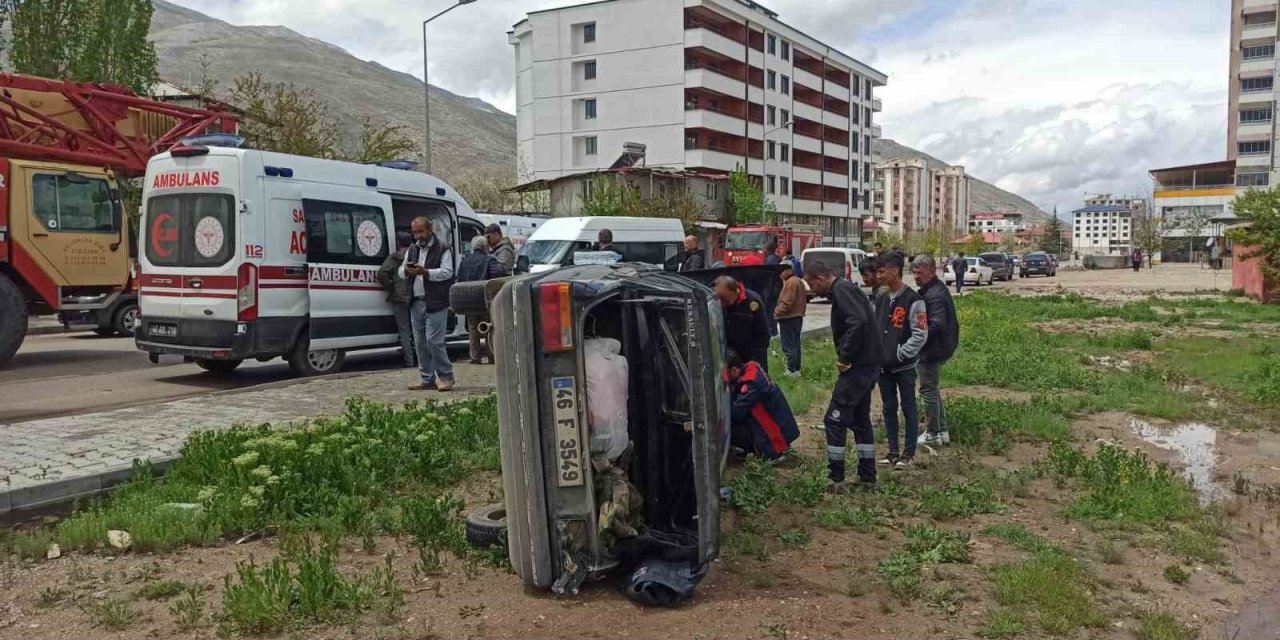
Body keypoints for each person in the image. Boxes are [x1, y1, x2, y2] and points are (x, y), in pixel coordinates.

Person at [804, 260, 884, 492]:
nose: (811, 289)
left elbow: (857, 323)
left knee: (834, 419)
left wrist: (845, 357)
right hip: (868, 364)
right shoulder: (848, 288)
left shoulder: (841, 290)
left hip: (858, 367)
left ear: (820, 279)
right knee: (860, 420)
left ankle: (836, 478)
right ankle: (868, 476)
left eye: (811, 284)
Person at [874, 253, 928, 469]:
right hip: (882, 365)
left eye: (882, 271)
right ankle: (893, 450)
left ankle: (909, 453)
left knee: (908, 407)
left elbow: (920, 334)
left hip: (903, 365)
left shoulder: (914, 300)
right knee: (888, 407)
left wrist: (900, 353)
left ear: (895, 270)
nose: (879, 276)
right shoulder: (881, 298)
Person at [400, 216, 456, 391]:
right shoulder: (413, 249)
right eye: (415, 232)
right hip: (416, 301)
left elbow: (448, 272)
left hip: (436, 301)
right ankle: (427, 378)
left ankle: (446, 376)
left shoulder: (443, 249)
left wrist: (426, 272)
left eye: (421, 232)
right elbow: (401, 272)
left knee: (434, 341)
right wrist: (407, 270)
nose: (418, 236)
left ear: (430, 230)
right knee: (420, 342)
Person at [911, 254, 960, 447]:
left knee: (928, 390)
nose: (916, 277)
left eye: (919, 273)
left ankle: (932, 433)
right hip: (937, 347)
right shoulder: (932, 290)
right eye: (914, 273)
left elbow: (937, 324)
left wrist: (917, 338)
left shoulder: (935, 294)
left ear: (931, 270)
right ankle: (942, 430)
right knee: (933, 389)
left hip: (932, 350)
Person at [726, 350, 800, 461]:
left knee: (731, 432)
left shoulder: (751, 383)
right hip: (781, 426)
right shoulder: (751, 369)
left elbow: (735, 413)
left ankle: (769, 453)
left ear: (734, 370)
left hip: (775, 436)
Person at [456, 236, 505, 364]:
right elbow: (497, 274)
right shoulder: (489, 260)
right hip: (485, 299)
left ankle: (475, 357)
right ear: (484, 247)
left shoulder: (464, 261)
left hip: (469, 300)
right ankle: (491, 356)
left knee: (473, 329)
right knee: (489, 327)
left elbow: (459, 279)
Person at [713, 275, 771, 373]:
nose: (723, 303)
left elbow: (763, 334)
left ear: (734, 291)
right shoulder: (720, 304)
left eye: (725, 299)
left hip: (753, 356)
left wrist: (755, 361)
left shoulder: (752, 302)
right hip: (732, 357)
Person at [378, 231, 416, 368]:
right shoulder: (416, 255)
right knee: (418, 329)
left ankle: (409, 361)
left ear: (398, 243)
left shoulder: (395, 257)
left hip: (399, 297)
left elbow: (381, 273)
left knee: (404, 330)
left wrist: (391, 286)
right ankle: (421, 358)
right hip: (415, 296)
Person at [774, 262, 807, 375]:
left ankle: (791, 369)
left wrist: (777, 312)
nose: (780, 274)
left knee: (789, 345)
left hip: (788, 317)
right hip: (796, 317)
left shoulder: (791, 282)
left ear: (789, 270)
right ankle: (796, 369)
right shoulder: (798, 280)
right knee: (796, 344)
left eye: (782, 271)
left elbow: (787, 302)